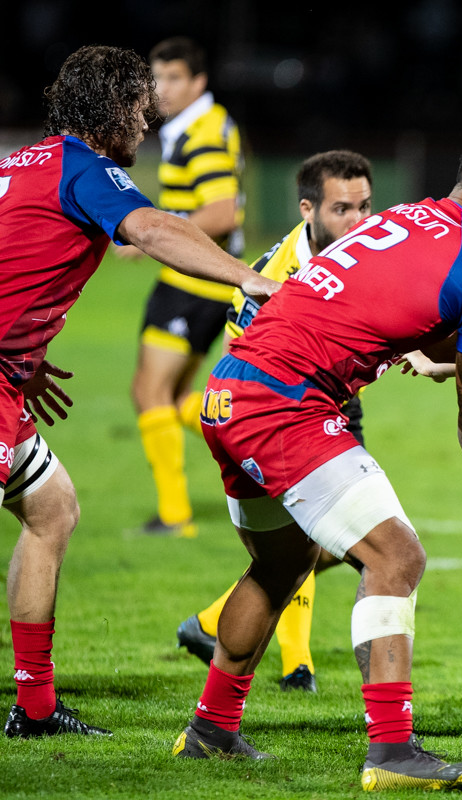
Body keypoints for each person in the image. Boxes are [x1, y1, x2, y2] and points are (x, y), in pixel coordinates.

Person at [172, 114, 462, 793]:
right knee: (396, 555)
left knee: (280, 565)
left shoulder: (409, 221)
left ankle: (209, 731)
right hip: (287, 407)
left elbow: (441, 345)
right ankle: (391, 750)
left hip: (230, 392)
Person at [0, 44, 277, 738]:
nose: (146, 123)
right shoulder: (82, 168)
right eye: (137, 108)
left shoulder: (19, 163)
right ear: (107, 110)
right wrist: (246, 277)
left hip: (7, 379)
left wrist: (18, 357)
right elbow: (152, 228)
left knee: (51, 508)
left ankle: (34, 709)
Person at [174, 150, 374, 694]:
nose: (358, 222)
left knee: (324, 545)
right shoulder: (275, 275)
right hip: (277, 410)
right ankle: (298, 667)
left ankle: (214, 626)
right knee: (359, 544)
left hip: (331, 398)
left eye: (365, 206)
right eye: (342, 209)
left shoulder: (365, 246)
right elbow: (238, 362)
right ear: (307, 209)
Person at [129, 36, 245, 538]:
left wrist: (150, 234)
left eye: (174, 78)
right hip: (209, 280)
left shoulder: (201, 133)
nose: (163, 89)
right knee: (174, 396)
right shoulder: (201, 125)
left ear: (198, 81)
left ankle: (176, 515)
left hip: (190, 279)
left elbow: (222, 212)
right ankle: (243, 425)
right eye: (157, 78)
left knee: (148, 390)